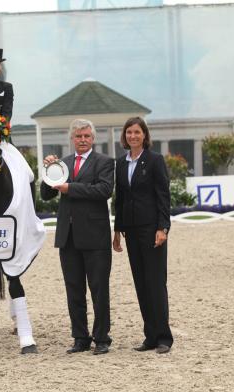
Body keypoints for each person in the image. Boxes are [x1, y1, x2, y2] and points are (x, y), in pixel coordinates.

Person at [40, 119, 114, 355]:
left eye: (87, 136)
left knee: (99, 289)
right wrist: (48, 171)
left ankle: (102, 338)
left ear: (93, 138)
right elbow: (46, 195)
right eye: (78, 136)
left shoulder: (104, 162)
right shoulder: (64, 163)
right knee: (74, 290)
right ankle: (80, 337)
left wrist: (69, 188)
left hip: (95, 237)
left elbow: (104, 191)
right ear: (72, 139)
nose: (82, 140)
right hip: (68, 237)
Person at [113, 117, 174, 354]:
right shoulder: (121, 163)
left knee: (156, 283)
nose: (133, 136)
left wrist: (163, 227)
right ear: (125, 136)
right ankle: (150, 336)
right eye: (129, 132)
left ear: (144, 135)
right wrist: (117, 230)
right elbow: (119, 199)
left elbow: (163, 196)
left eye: (137, 132)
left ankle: (164, 337)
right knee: (140, 283)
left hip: (152, 230)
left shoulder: (155, 160)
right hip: (131, 231)